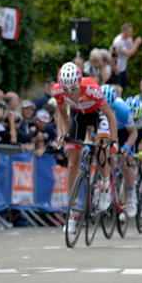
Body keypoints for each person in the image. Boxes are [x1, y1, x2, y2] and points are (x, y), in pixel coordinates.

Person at [53, 62, 118, 236]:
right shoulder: (58, 91)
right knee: (73, 162)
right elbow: (62, 113)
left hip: (98, 114)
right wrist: (65, 133)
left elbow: (110, 117)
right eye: (65, 90)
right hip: (77, 116)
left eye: (73, 90)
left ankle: (105, 185)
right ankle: (73, 213)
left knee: (102, 149)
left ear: (79, 83)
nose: (69, 94)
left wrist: (114, 142)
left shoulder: (91, 89)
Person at [100, 84, 138, 217]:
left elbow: (133, 132)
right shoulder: (95, 107)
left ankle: (131, 195)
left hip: (123, 133)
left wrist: (127, 146)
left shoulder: (122, 109)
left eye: (110, 108)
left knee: (125, 162)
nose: (107, 110)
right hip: (106, 130)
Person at [110, 23, 142, 92]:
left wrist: (134, 46)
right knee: (117, 86)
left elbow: (131, 49)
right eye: (129, 32)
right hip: (117, 66)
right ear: (124, 31)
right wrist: (136, 44)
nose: (131, 33)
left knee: (124, 85)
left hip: (123, 66)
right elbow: (128, 53)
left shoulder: (129, 39)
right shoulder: (118, 41)